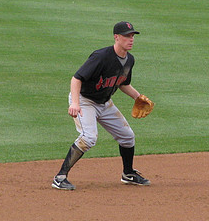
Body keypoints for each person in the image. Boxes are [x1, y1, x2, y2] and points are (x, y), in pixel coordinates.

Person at [52, 21, 151, 190]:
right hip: (85, 101)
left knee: (128, 137)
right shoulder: (101, 56)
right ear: (116, 37)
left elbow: (122, 83)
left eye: (133, 36)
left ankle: (128, 174)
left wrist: (137, 97)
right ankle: (60, 177)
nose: (131, 39)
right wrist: (75, 103)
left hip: (105, 103)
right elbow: (76, 79)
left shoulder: (129, 60)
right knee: (89, 138)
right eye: (127, 36)